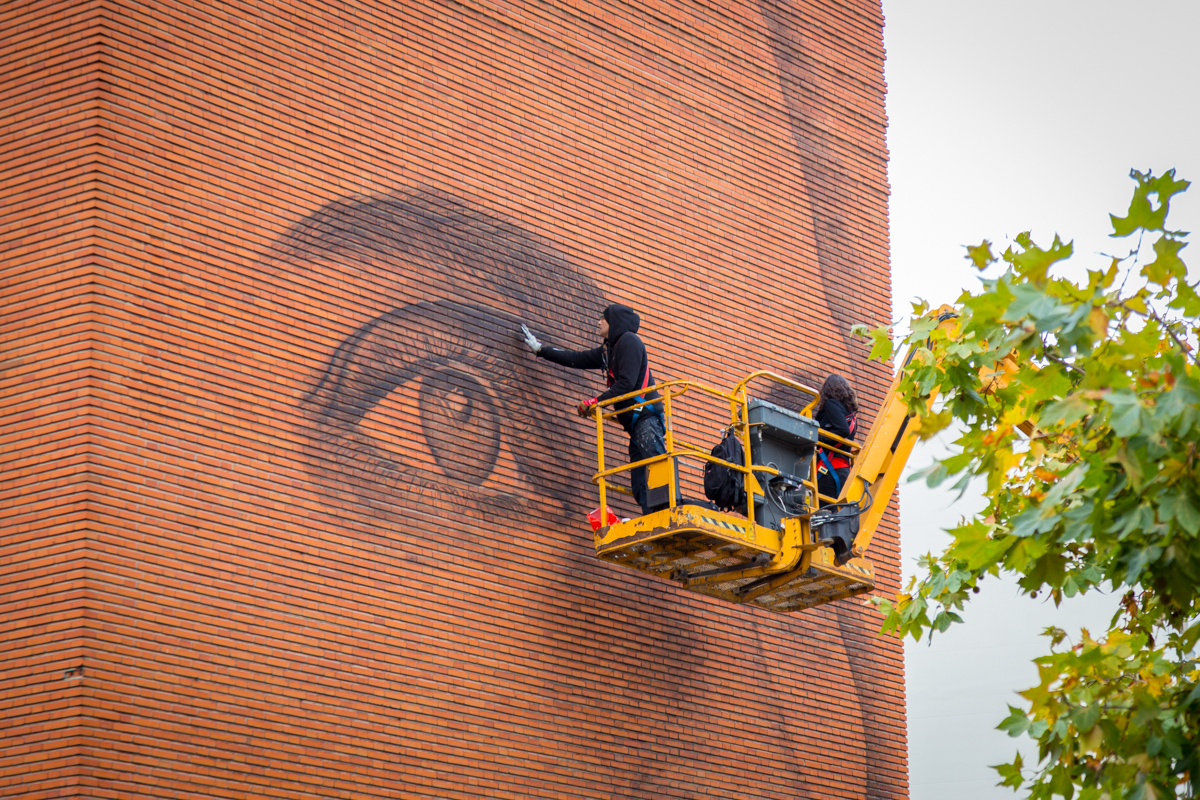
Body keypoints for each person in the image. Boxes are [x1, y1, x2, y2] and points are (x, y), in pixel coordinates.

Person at [521, 304, 666, 515]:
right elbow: (578, 359)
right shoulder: (611, 350)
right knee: (639, 487)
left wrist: (595, 401)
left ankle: (665, 516)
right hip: (636, 427)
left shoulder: (629, 342)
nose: (598, 322)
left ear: (613, 322)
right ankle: (653, 520)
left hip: (646, 419)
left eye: (602, 319)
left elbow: (626, 383)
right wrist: (542, 351)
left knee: (658, 473)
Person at [814, 374, 859, 503]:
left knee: (822, 515)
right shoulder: (850, 415)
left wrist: (817, 437)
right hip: (842, 471)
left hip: (828, 469)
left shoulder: (831, 404)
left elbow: (842, 430)